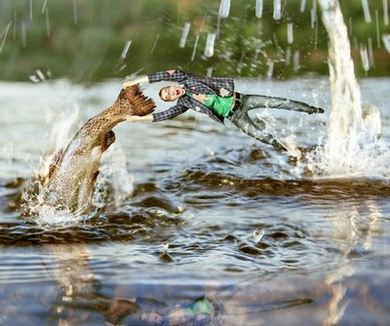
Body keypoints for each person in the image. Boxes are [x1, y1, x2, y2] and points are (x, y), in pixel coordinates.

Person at [123, 69, 324, 151]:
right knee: (262, 137)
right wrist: (135, 119)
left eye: (169, 90)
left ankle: (312, 110)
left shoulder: (185, 78)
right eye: (169, 97)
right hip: (235, 117)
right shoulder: (185, 104)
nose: (172, 93)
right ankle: (291, 150)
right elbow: (162, 116)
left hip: (244, 100)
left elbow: (160, 75)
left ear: (171, 85)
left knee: (280, 103)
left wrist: (135, 81)